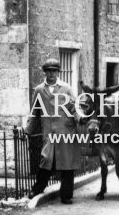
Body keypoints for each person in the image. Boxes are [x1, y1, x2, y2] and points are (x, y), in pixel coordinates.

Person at [26, 58, 81, 204]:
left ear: (58, 72)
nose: (51, 74)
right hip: (49, 131)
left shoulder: (66, 88)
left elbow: (74, 108)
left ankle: (66, 195)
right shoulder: (39, 90)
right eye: (49, 71)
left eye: (54, 71)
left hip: (66, 130)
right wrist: (28, 130)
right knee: (46, 159)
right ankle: (37, 189)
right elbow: (34, 112)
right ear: (45, 72)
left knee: (66, 163)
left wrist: (79, 118)